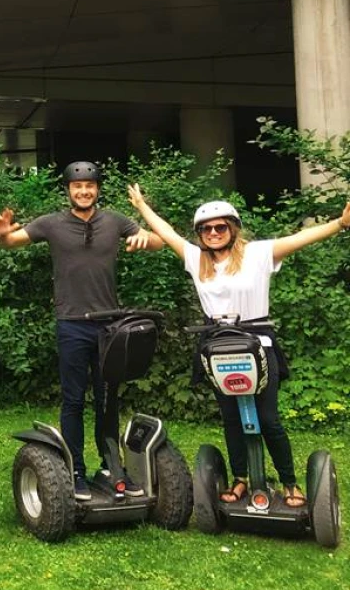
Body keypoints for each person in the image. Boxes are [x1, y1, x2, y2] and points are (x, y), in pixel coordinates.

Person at [128, 184, 350, 508]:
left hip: (258, 346)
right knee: (232, 418)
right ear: (201, 233)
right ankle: (241, 480)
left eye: (221, 226)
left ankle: (289, 482)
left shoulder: (258, 254)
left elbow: (301, 240)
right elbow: (168, 232)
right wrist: (141, 206)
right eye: (207, 228)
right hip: (218, 350)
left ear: (232, 229)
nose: (214, 232)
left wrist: (340, 224)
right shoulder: (196, 259)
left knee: (269, 419)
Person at [0, 162, 162, 501]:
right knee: (73, 401)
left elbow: (156, 240)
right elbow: (10, 241)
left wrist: (146, 238)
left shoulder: (114, 221)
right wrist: (0, 233)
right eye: (77, 186)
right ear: (68, 190)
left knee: (107, 399)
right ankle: (76, 470)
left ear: (97, 189)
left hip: (110, 325)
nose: (84, 191)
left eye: (90, 186)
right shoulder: (51, 224)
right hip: (71, 324)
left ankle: (112, 468)